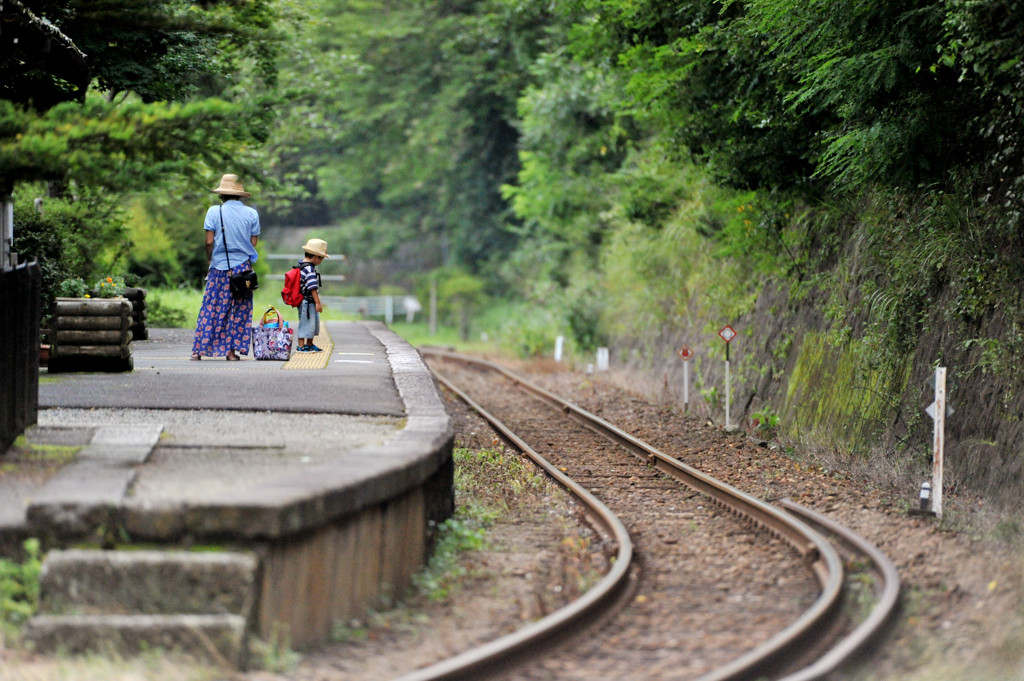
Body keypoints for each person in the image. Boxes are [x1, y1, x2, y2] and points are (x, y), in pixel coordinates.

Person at [191, 174, 261, 361]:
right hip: (243, 269)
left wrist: (210, 259)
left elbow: (208, 241)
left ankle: (198, 351)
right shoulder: (252, 214)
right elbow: (253, 242)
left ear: (221, 195)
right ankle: (231, 352)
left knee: (211, 307)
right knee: (239, 308)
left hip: (219, 267)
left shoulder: (214, 212)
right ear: (240, 195)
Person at [295, 238, 330, 352]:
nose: (321, 261)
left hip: (306, 301)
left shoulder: (301, 265)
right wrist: (317, 302)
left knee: (311, 324)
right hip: (307, 301)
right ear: (316, 257)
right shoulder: (309, 269)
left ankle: (309, 344)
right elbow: (312, 287)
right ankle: (301, 346)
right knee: (305, 323)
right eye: (321, 258)